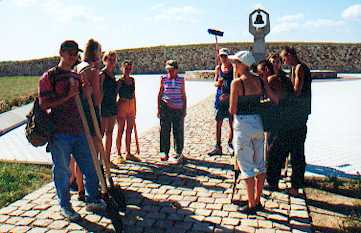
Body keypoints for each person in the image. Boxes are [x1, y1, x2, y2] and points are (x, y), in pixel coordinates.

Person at [38, 40, 105, 221]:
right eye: (70, 52)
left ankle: (93, 199)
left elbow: (82, 101)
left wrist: (86, 92)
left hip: (80, 130)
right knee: (62, 171)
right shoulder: (49, 77)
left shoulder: (76, 76)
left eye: (76, 53)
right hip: (60, 133)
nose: (73, 56)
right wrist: (68, 95)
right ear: (61, 52)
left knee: (90, 167)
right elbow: (44, 104)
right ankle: (65, 206)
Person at [229, 51, 279, 214]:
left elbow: (232, 109)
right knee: (260, 165)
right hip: (258, 124)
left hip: (243, 126)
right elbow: (275, 99)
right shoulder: (259, 80)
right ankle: (257, 200)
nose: (234, 65)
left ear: (243, 64)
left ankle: (251, 204)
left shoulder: (236, 83)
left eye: (236, 63)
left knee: (246, 167)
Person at [269, 47, 311, 196]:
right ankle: (293, 186)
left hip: (296, 119)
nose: (283, 61)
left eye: (284, 58)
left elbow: (296, 92)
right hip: (297, 118)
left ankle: (280, 184)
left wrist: (280, 88)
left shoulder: (299, 68)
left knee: (281, 150)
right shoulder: (295, 69)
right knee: (296, 153)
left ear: (290, 55)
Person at [157, 60, 187, 164]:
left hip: (178, 108)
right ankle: (164, 151)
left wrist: (184, 109)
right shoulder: (163, 79)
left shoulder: (181, 80)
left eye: (172, 70)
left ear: (176, 70)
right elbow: (160, 94)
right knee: (164, 130)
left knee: (178, 131)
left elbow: (183, 95)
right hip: (165, 107)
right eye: (168, 70)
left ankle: (178, 152)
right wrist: (158, 109)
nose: (170, 72)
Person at [208, 48, 234, 156]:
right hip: (219, 98)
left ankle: (230, 144)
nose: (223, 58)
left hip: (231, 98)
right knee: (218, 122)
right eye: (221, 56)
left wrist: (230, 94)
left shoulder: (233, 68)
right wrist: (218, 83)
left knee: (232, 123)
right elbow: (215, 82)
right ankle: (218, 146)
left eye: (225, 56)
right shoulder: (218, 68)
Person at [116, 60, 140, 161]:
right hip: (122, 106)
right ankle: (118, 153)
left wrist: (135, 108)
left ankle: (128, 152)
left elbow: (133, 95)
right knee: (120, 130)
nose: (128, 70)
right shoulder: (120, 81)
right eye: (126, 68)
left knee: (129, 131)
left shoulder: (132, 80)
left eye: (130, 69)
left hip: (131, 107)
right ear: (122, 69)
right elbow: (115, 95)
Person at [99, 51, 118, 167]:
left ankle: (107, 159)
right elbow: (100, 92)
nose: (111, 62)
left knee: (110, 133)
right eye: (110, 59)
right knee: (101, 135)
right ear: (105, 60)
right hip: (104, 107)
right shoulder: (102, 74)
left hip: (112, 106)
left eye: (113, 60)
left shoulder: (113, 75)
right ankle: (100, 160)